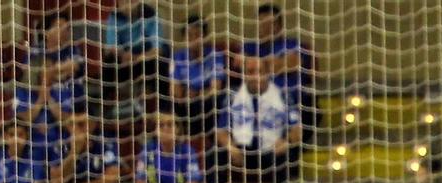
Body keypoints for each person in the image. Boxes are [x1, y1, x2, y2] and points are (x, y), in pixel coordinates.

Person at [216, 58, 302, 183]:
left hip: (272, 151)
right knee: (214, 155)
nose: (255, 76)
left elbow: (297, 129)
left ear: (267, 73)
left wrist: (286, 142)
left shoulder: (282, 94)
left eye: (259, 72)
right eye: (250, 72)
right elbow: (221, 130)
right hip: (241, 151)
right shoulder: (232, 95)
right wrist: (231, 148)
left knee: (285, 158)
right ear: (244, 74)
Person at [240, 3, 314, 133]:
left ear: (279, 26)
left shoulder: (293, 44)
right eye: (262, 23)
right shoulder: (250, 46)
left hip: (290, 98)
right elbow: (240, 63)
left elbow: (291, 62)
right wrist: (272, 63)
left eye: (270, 23)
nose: (265, 27)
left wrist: (257, 64)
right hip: (257, 97)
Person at [168, 14, 229, 144]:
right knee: (169, 104)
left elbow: (215, 89)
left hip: (207, 105)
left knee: (214, 101)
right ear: (184, 38)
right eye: (189, 35)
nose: (193, 39)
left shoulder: (215, 55)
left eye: (197, 35)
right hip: (186, 105)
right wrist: (187, 94)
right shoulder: (177, 57)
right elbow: (175, 93)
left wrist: (196, 93)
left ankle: (206, 141)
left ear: (205, 36)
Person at [104, 0, 169, 110]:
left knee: (161, 61)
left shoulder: (150, 13)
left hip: (146, 58)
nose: (125, 6)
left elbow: (158, 48)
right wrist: (123, 55)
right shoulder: (114, 16)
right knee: (108, 61)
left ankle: (163, 107)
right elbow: (112, 46)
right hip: (126, 58)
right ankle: (107, 106)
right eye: (122, 3)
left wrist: (138, 58)